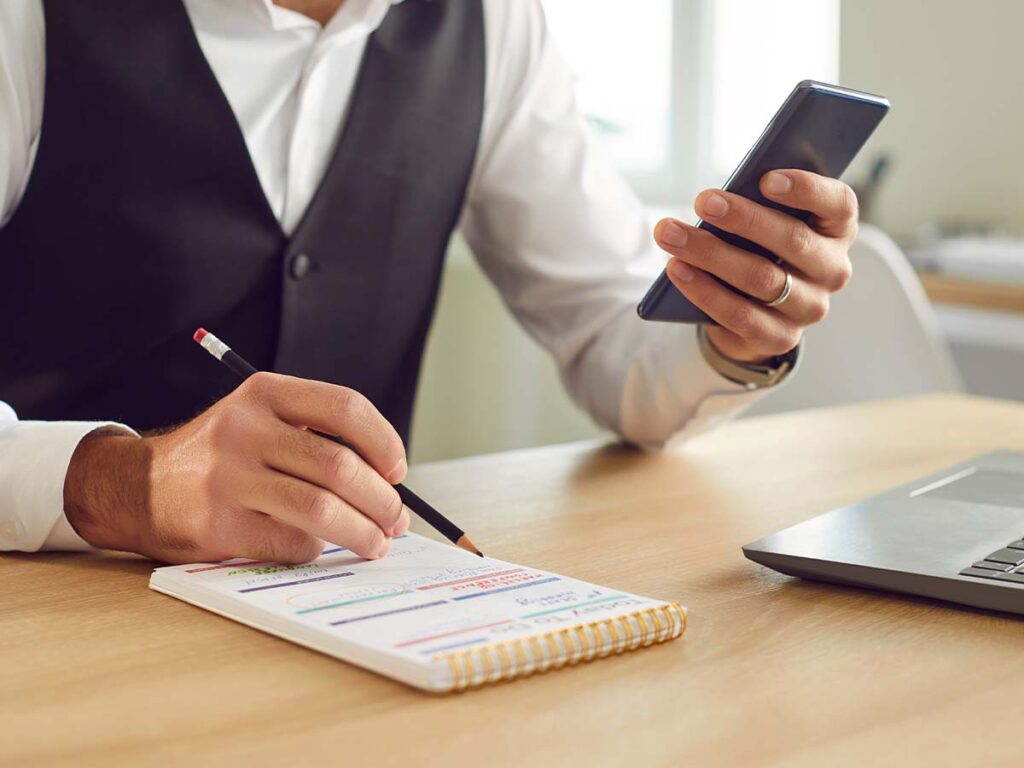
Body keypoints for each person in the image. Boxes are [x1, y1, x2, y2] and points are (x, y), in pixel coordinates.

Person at [0, 0, 857, 564]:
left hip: (348, 623)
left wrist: (727, 331)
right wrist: (113, 484)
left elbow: (611, 338)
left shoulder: (491, 24)